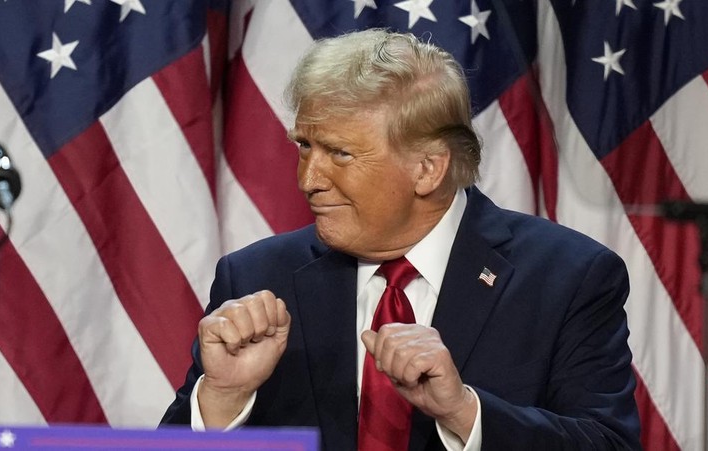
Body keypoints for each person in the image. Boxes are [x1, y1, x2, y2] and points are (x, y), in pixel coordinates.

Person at [160, 29, 640, 450]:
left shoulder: (568, 277)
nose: (308, 179)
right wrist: (222, 398)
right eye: (305, 146)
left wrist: (464, 413)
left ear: (428, 168)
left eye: (340, 153)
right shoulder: (256, 277)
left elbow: (607, 443)